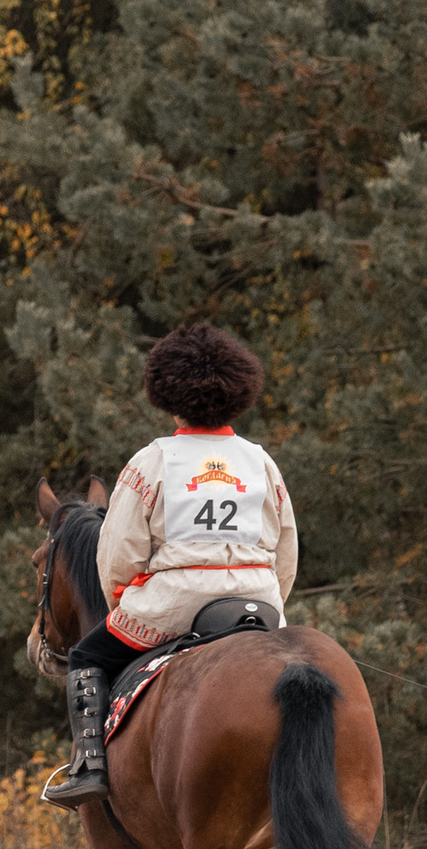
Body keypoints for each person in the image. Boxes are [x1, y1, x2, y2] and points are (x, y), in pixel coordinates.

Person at [41, 324, 299, 810]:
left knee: (86, 656)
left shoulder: (152, 461)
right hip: (258, 600)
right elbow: (286, 550)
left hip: (176, 603)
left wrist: (124, 602)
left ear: (169, 396)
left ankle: (88, 767)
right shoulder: (261, 462)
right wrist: (272, 601)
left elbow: (116, 554)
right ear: (236, 392)